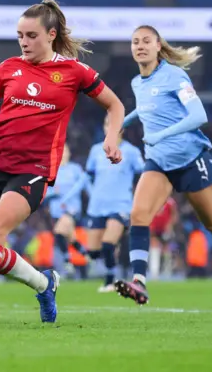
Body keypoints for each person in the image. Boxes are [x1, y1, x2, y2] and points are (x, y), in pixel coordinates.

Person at [0, 0, 125, 327]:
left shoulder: (74, 71)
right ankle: (45, 285)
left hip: (33, 169)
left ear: (50, 34)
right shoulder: (8, 67)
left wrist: (111, 138)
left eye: (31, 35)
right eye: (20, 35)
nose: (24, 42)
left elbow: (115, 105)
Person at [113, 25, 212, 305]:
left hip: (191, 159)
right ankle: (139, 282)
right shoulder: (137, 82)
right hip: (159, 162)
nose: (140, 46)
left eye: (146, 41)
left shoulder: (174, 75)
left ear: (158, 46)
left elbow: (198, 116)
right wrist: (123, 123)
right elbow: (145, 109)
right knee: (139, 215)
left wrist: (160, 134)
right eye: (135, 42)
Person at [84, 115, 144, 292]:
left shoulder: (131, 152)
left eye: (113, 124)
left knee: (108, 244)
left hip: (120, 205)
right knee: (94, 252)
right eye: (106, 124)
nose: (108, 127)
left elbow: (144, 173)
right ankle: (115, 250)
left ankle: (110, 281)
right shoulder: (96, 151)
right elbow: (87, 177)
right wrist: (91, 192)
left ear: (121, 129)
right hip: (97, 206)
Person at [44, 143, 91, 277]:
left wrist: (94, 199)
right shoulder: (51, 171)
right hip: (56, 210)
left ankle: (67, 261)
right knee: (68, 236)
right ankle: (85, 253)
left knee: (59, 231)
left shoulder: (75, 169)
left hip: (72, 208)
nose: (63, 153)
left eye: (65, 151)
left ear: (69, 153)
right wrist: (54, 193)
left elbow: (85, 184)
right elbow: (45, 192)